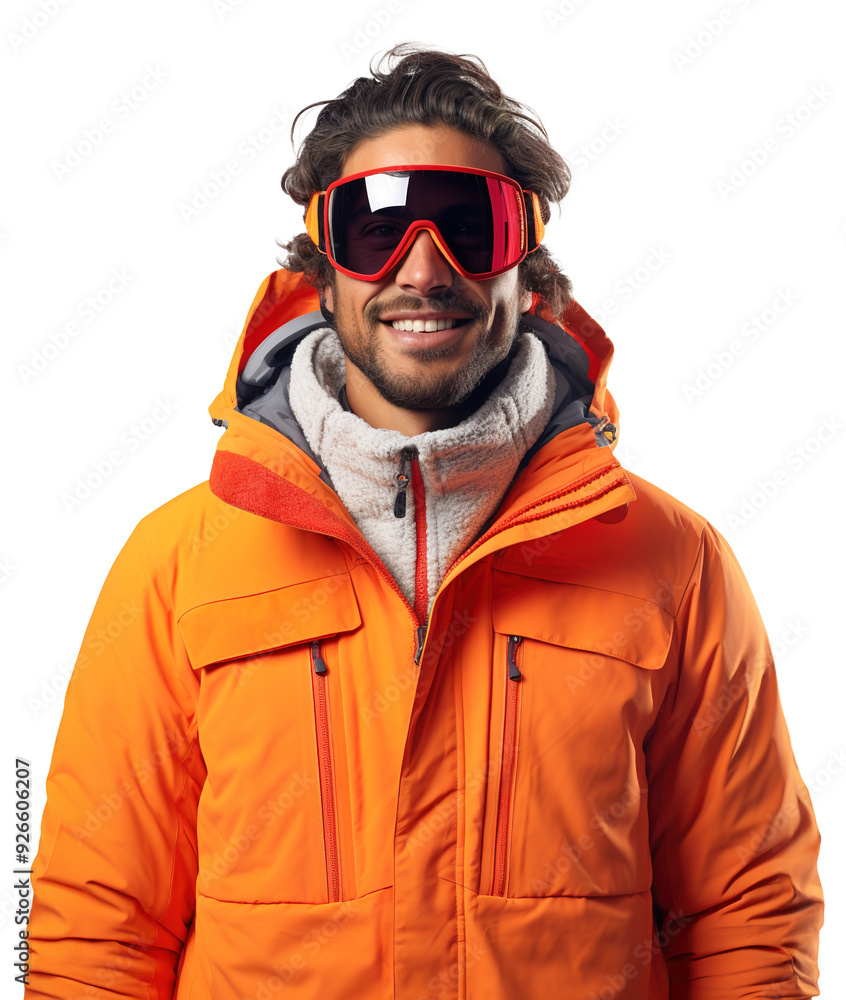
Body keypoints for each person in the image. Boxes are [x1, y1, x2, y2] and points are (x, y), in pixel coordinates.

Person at [26, 42, 823, 999]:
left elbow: (747, 912)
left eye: (468, 227)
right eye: (376, 230)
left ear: (528, 271)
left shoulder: (672, 561)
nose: (424, 269)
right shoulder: (179, 563)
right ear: (322, 272)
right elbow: (97, 924)